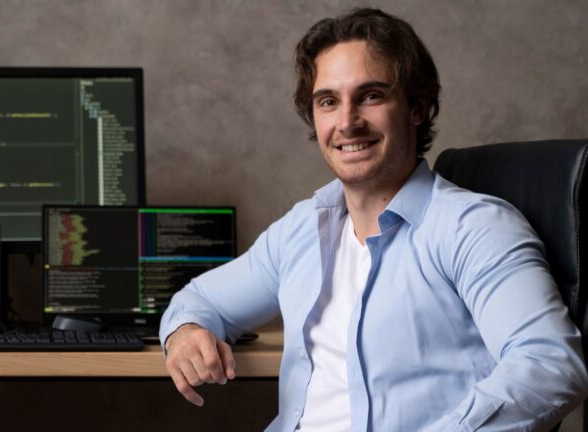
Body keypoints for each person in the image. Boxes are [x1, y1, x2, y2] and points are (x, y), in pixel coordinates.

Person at [159, 7, 588, 432]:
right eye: (328, 101)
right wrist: (186, 332)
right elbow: (201, 301)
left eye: (371, 96)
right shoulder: (303, 228)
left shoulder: (473, 228)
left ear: (418, 106)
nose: (347, 122)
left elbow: (549, 367)